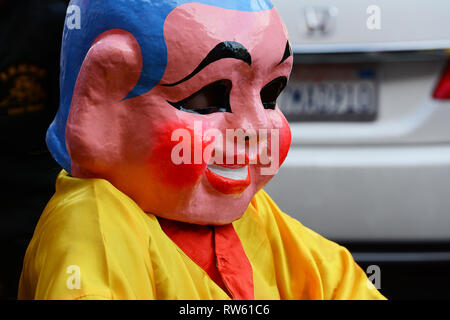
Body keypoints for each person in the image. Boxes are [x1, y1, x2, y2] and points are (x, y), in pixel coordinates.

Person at [18, 0, 386, 300]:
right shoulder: (94, 223)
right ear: (105, 101)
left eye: (271, 94)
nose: (256, 128)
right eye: (209, 97)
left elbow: (343, 285)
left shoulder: (254, 218)